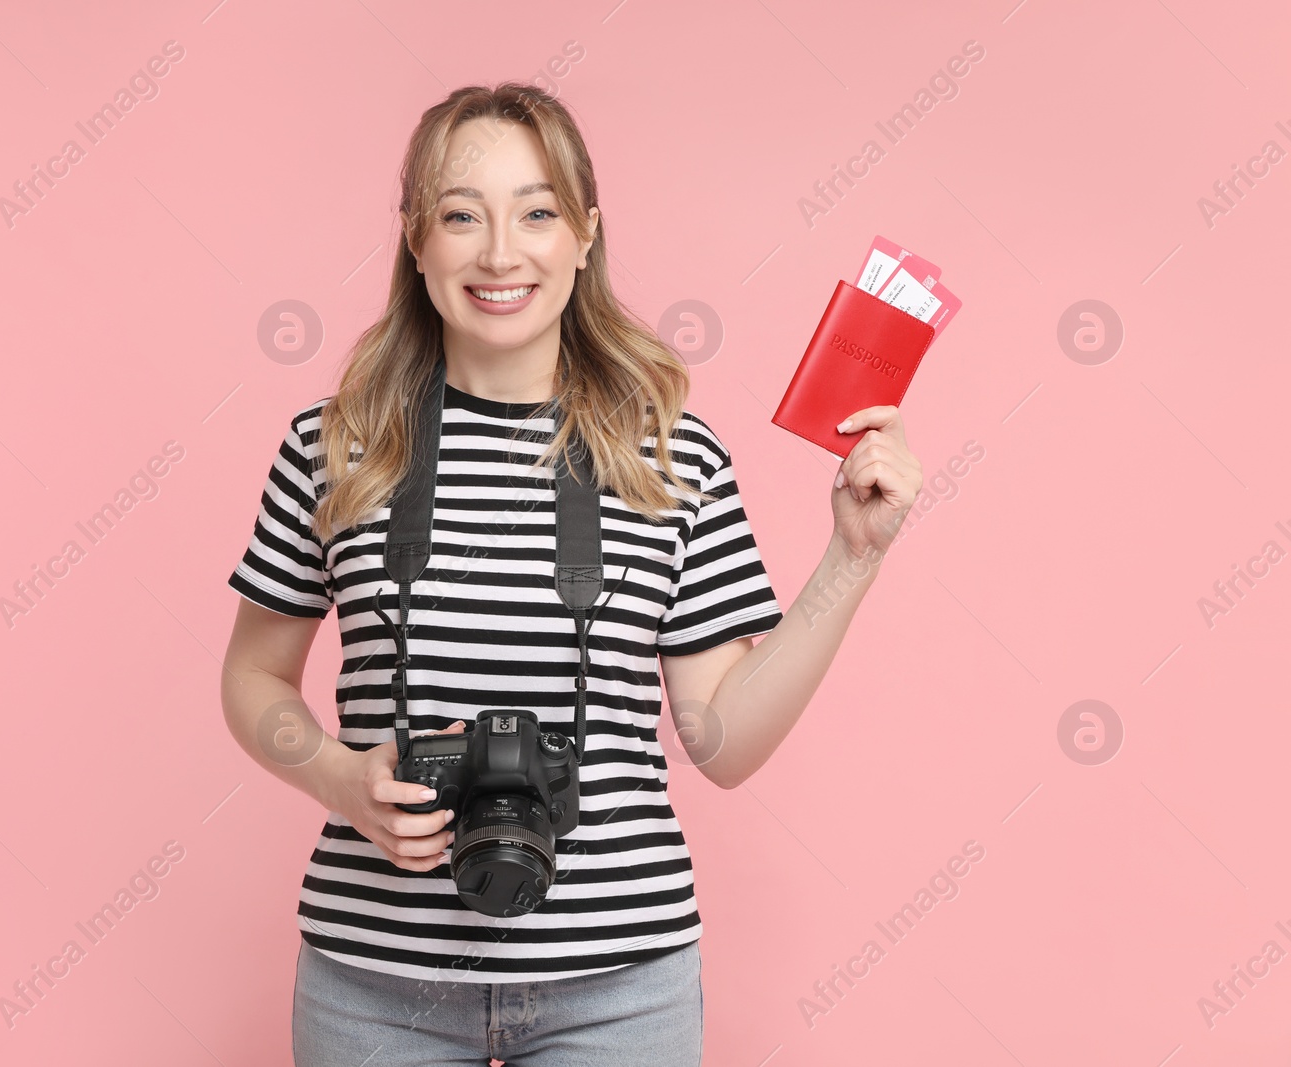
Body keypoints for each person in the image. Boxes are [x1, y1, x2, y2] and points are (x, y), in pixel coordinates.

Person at [220, 82, 923, 1067]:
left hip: (620, 986)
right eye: (461, 214)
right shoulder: (333, 443)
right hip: (374, 979)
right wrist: (338, 775)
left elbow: (721, 739)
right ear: (416, 240)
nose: (500, 252)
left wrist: (853, 556)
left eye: (537, 211)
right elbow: (252, 678)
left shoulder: (672, 453)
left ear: (586, 234)